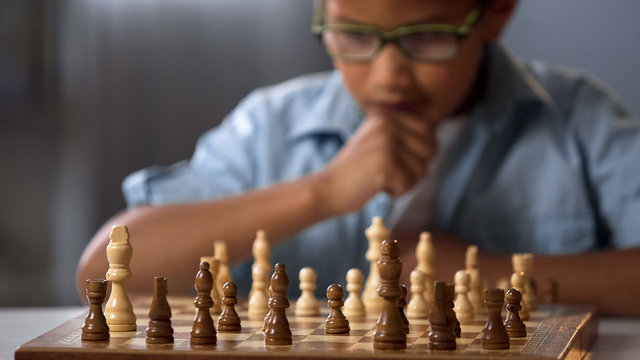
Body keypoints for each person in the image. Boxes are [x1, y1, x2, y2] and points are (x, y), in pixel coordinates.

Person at [77, 0, 640, 315]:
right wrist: (320, 191)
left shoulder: (577, 117)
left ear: (495, 13)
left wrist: (489, 274)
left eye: (425, 39)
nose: (389, 73)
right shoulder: (269, 124)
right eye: (351, 37)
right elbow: (100, 272)